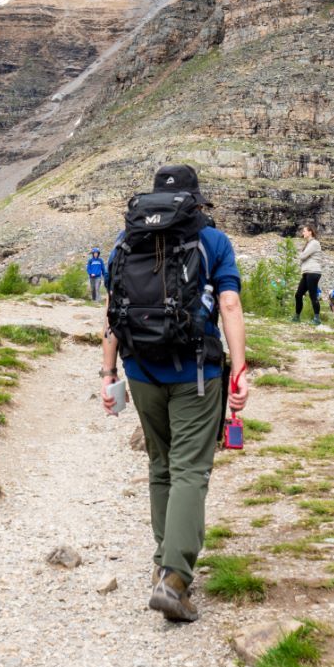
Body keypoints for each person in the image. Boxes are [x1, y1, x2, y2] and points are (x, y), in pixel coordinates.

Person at [100, 164, 248, 623]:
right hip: (196, 371)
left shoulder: (126, 240)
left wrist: (107, 373)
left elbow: (111, 311)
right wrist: (240, 370)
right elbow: (229, 303)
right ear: (196, 198)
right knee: (190, 469)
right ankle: (175, 578)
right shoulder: (212, 240)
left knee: (160, 464)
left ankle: (160, 563)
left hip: (139, 369)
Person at [293, 225, 322, 324]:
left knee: (313, 295)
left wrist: (300, 255)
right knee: (298, 294)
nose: (303, 233)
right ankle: (296, 317)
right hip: (307, 272)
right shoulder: (309, 244)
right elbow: (303, 257)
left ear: (310, 232)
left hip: (313, 272)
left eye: (304, 231)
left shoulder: (314, 243)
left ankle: (317, 319)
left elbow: (303, 256)